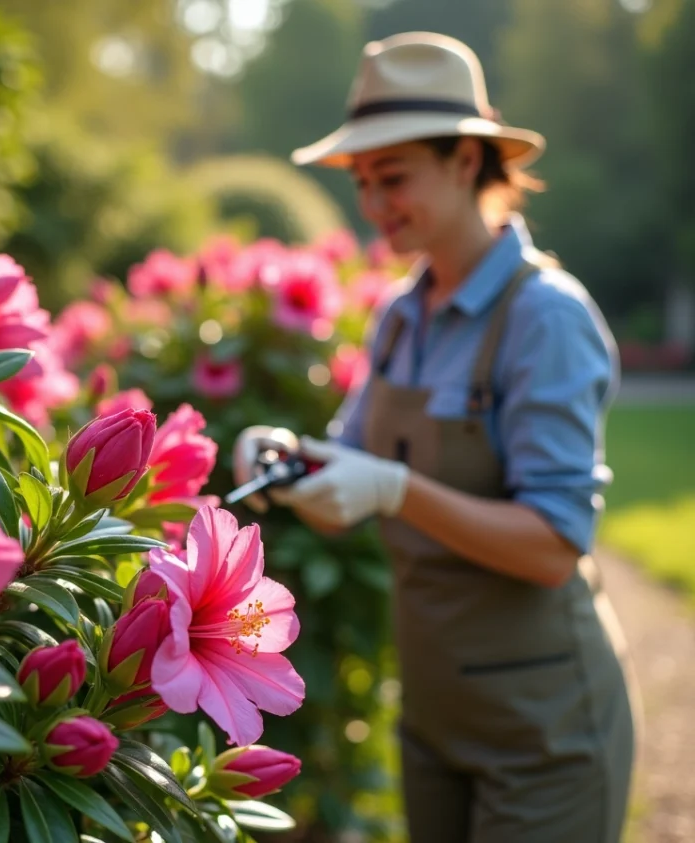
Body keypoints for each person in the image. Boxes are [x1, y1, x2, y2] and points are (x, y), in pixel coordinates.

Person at [233, 32, 636, 843]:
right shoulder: (400, 316)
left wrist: (397, 490)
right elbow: (346, 490)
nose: (377, 204)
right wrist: (288, 461)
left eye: (397, 178)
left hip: (546, 731)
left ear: (465, 161)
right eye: (366, 183)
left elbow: (556, 544)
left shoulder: (545, 318)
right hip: (433, 713)